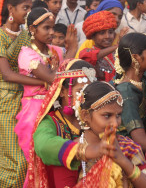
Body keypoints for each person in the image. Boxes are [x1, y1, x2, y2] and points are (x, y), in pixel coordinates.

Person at [0, 0, 39, 187]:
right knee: (14, 159)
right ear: (10, 9)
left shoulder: (27, 35)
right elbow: (7, 74)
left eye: (30, 8)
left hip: (26, 100)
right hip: (6, 99)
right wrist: (45, 82)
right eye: (24, 8)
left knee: (28, 156)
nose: (28, 12)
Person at [15, 7, 78, 162]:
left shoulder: (55, 50)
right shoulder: (27, 54)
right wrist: (73, 50)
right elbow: (52, 78)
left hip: (55, 106)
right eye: (46, 28)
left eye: (53, 28)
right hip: (35, 110)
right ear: (32, 29)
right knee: (37, 159)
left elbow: (65, 72)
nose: (51, 32)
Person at [72, 81, 146, 187]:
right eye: (107, 116)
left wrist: (123, 161)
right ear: (85, 115)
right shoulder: (74, 150)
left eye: (118, 115)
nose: (115, 123)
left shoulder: (128, 147)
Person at [27, 59, 97, 188]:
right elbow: (43, 145)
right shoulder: (51, 121)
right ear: (62, 92)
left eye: (90, 91)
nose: (86, 98)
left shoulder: (95, 118)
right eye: (80, 91)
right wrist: (83, 150)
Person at [79, 10, 117, 82]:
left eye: (111, 32)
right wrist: (116, 47)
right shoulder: (86, 53)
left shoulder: (117, 53)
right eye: (102, 33)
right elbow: (92, 56)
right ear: (93, 36)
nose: (107, 36)